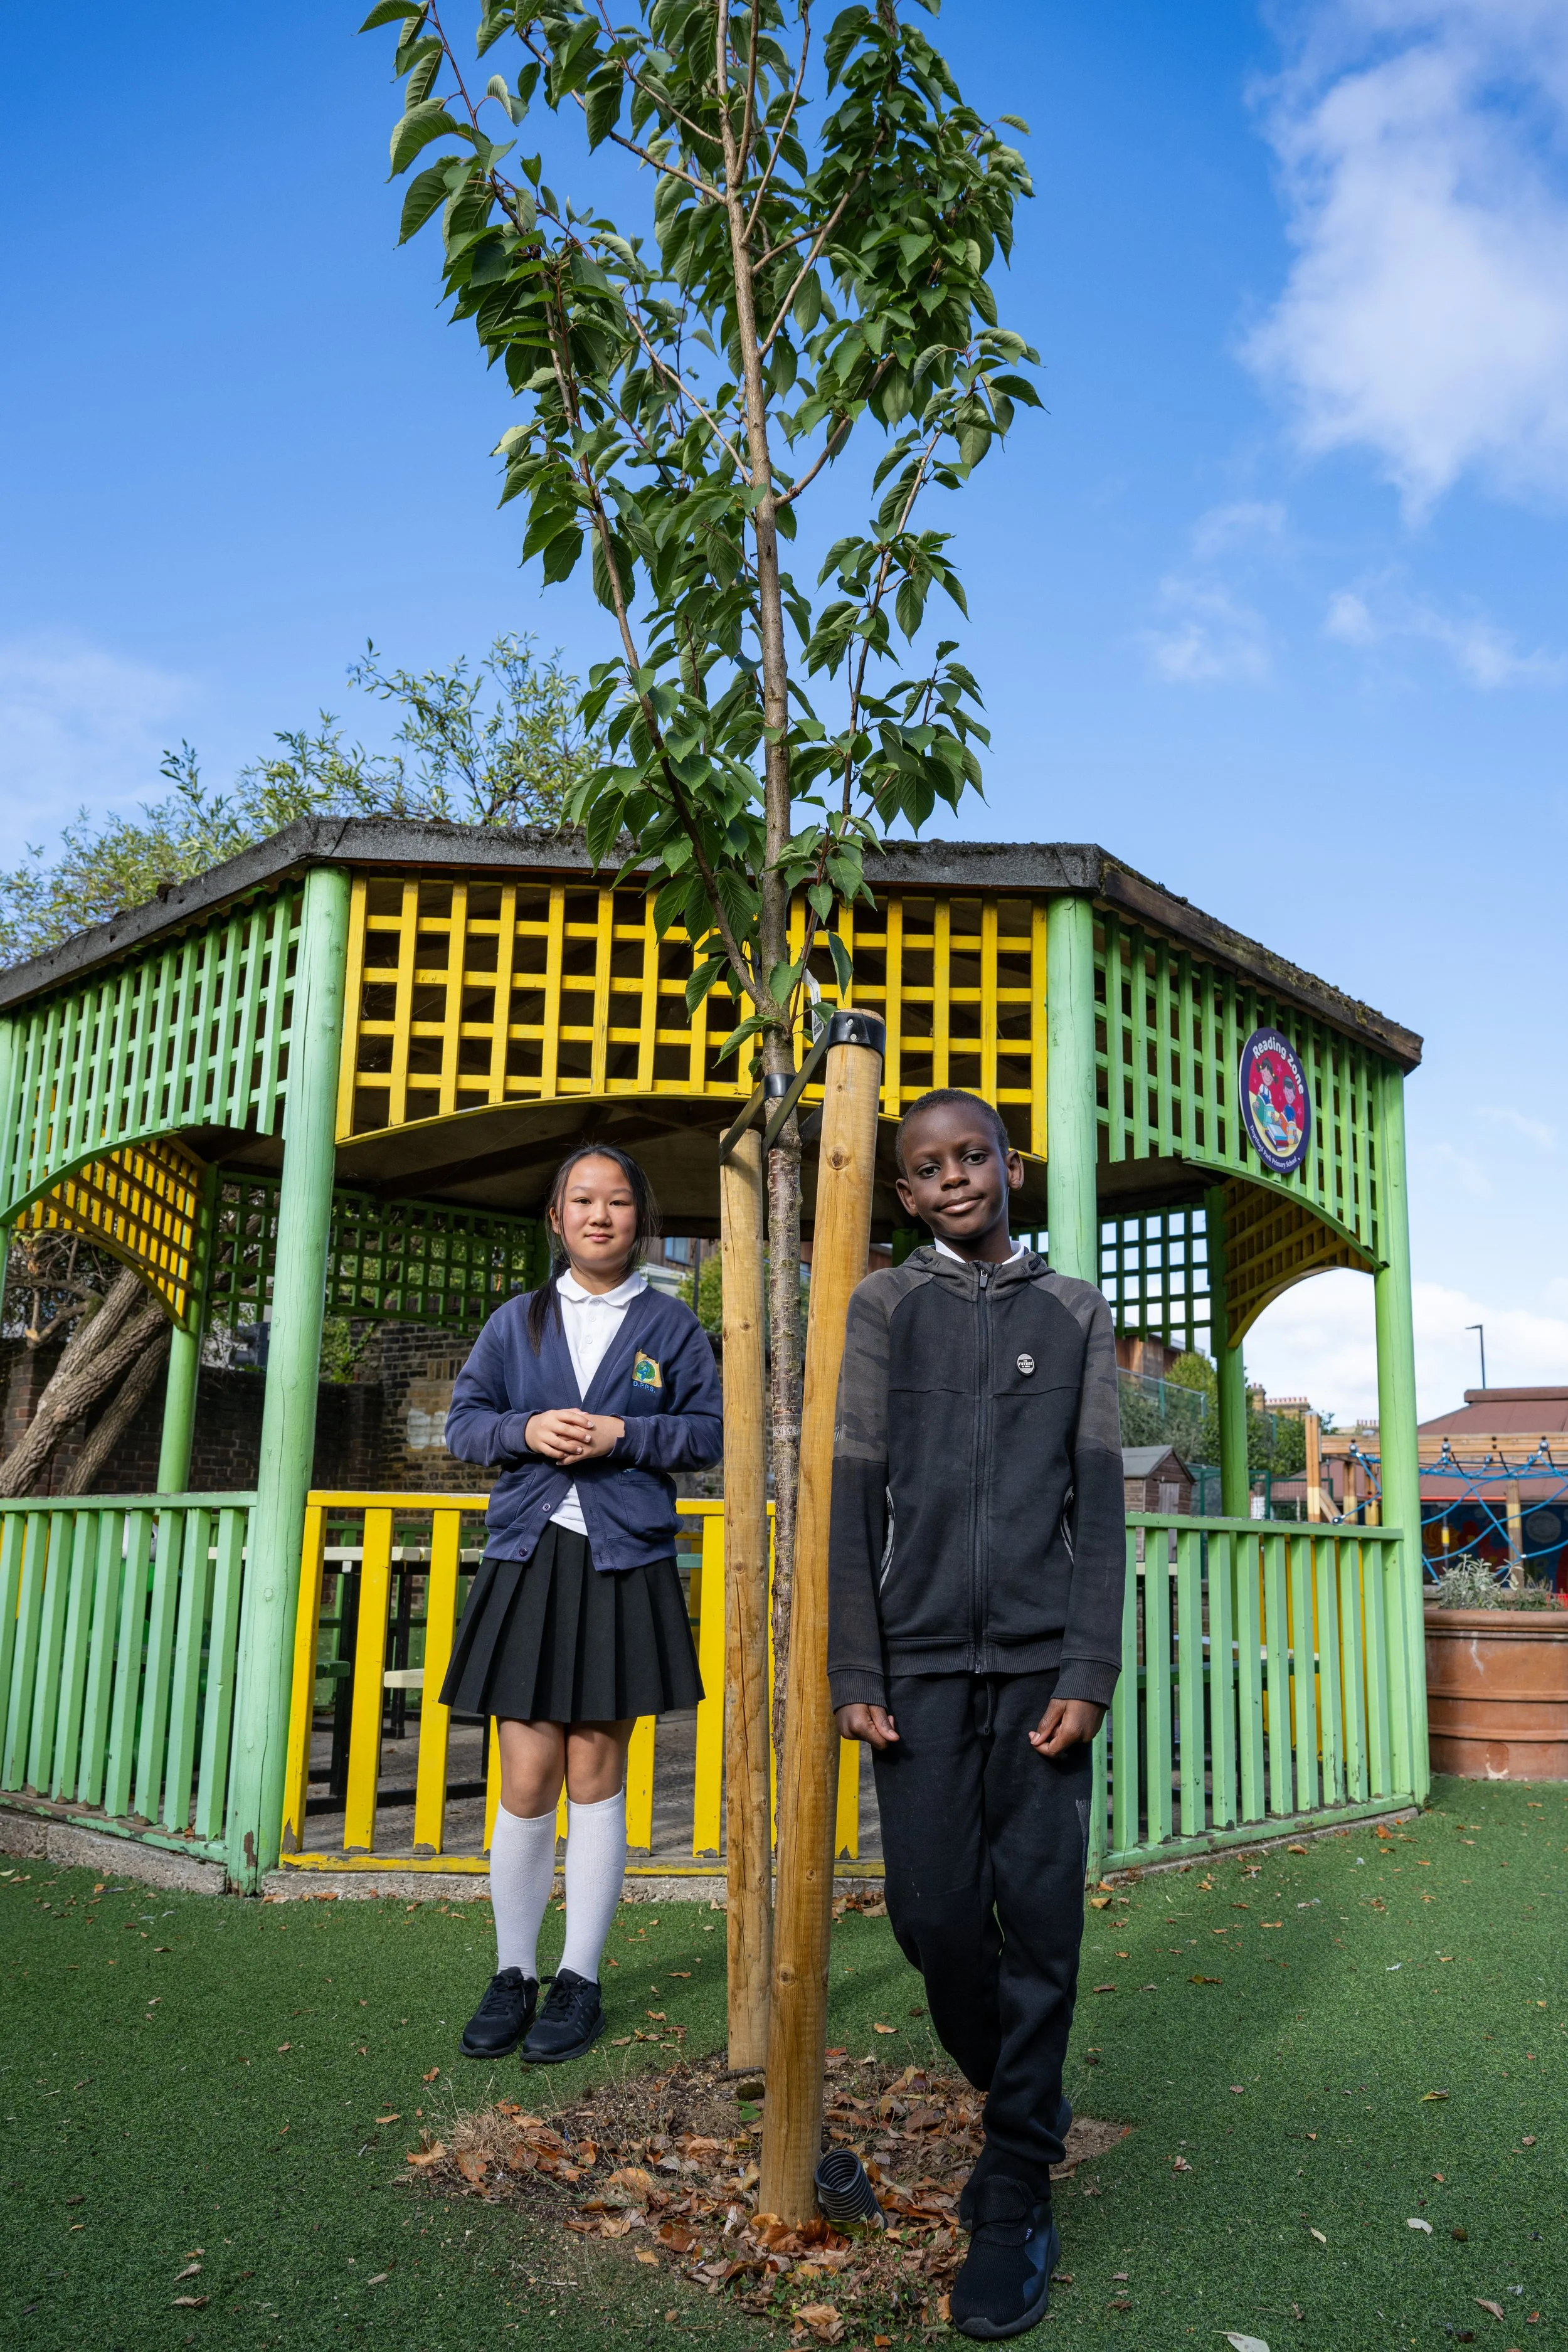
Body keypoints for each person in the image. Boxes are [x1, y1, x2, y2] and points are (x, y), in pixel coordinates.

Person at [829, 1089, 1125, 2341]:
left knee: (1040, 1908)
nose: (953, 1177)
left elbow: (1100, 1503)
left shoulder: (1072, 1312)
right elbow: (850, 1493)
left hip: (1040, 1667)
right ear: (903, 1193)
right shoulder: (882, 1308)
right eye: (927, 1167)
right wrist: (858, 1666)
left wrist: (1086, 1668)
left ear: (1008, 1168)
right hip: (917, 1663)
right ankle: (1024, 2088)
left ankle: (1011, 2177)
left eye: (972, 1156)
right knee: (933, 1912)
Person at [441, 1144, 721, 2065]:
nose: (600, 1215)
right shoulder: (515, 1322)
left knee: (597, 1768)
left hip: (621, 1558)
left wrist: (623, 1434)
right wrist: (523, 1427)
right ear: (556, 1218)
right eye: (581, 1201)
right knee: (525, 1776)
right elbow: (464, 1422)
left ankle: (580, 1978)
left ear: (640, 1218)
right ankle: (512, 1971)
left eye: (618, 1202)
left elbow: (707, 1433)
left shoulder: (673, 1326)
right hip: (527, 1554)